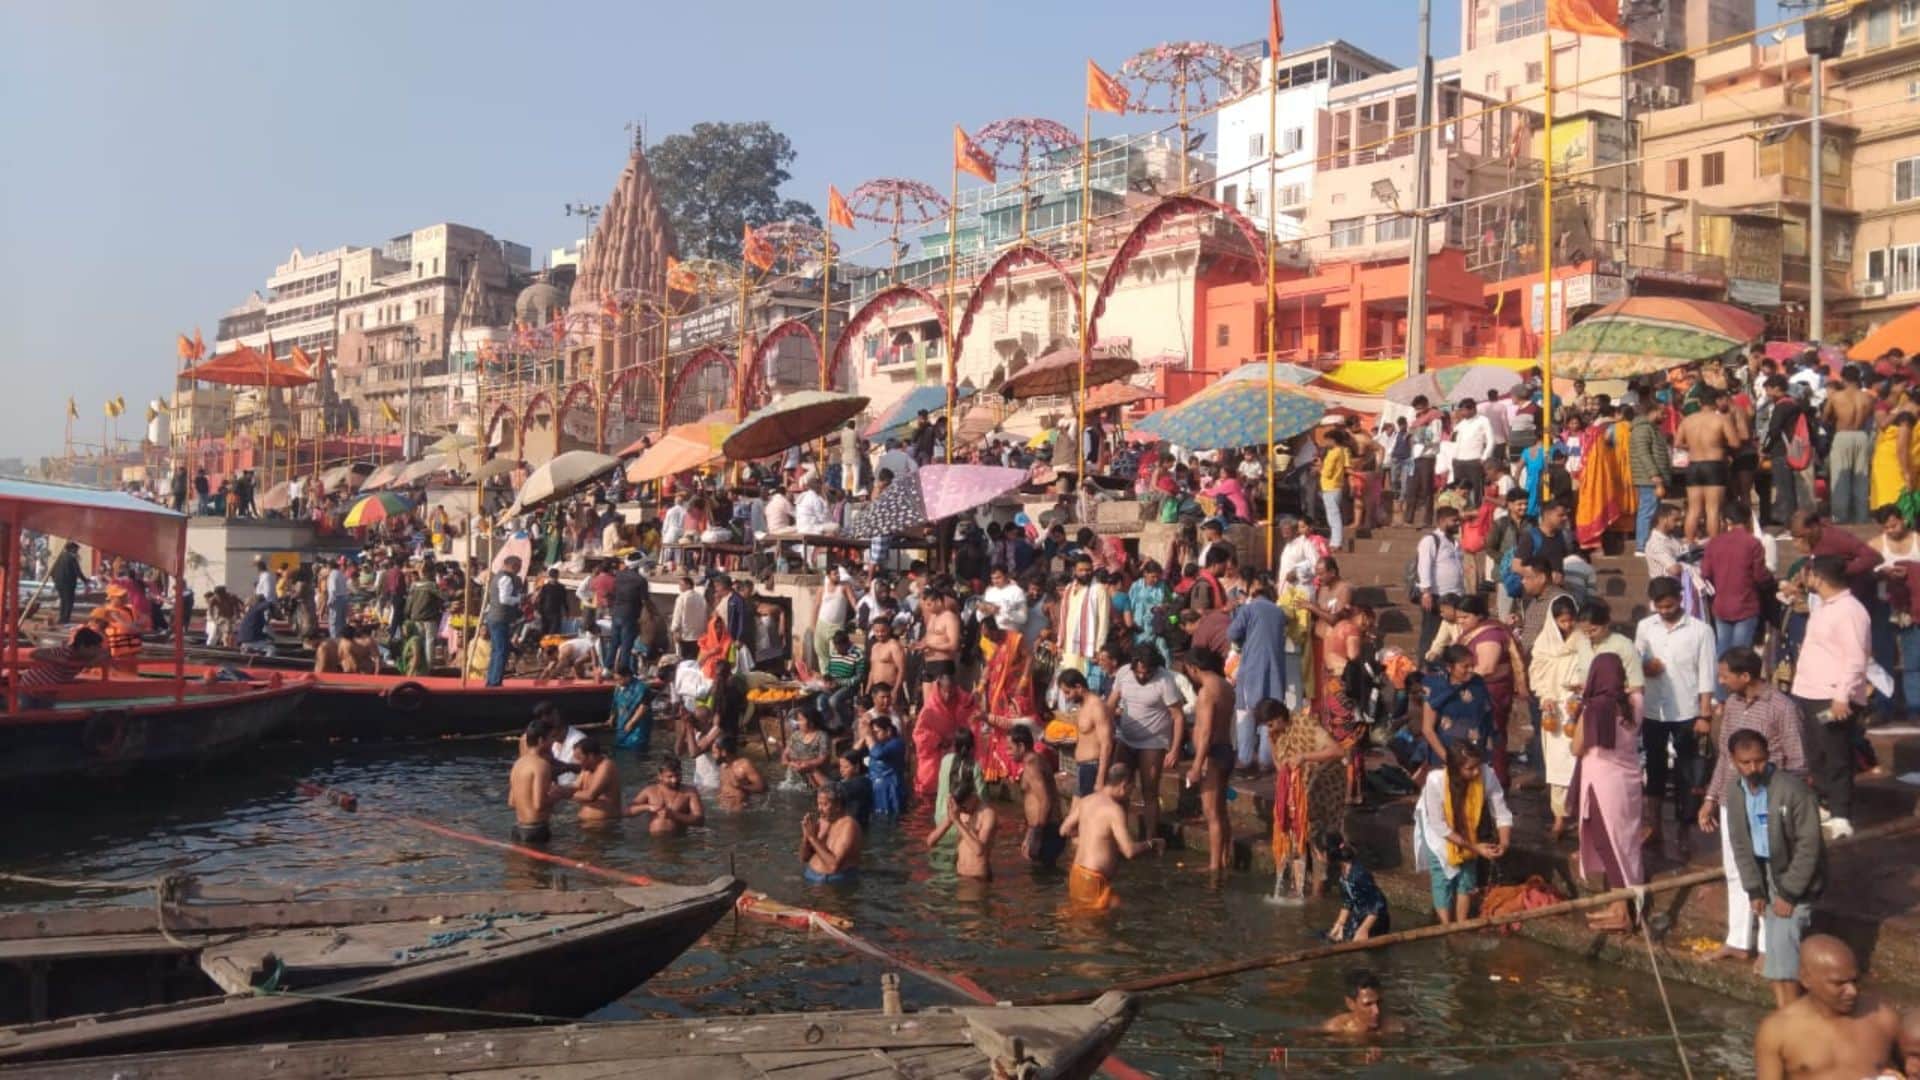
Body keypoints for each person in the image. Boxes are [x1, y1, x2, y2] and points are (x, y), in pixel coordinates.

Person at [1698, 646, 1810, 963]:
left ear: (1745, 676)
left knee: (1769, 873)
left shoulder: (1782, 707)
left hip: (1768, 798)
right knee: (1735, 870)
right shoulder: (1732, 705)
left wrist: (1783, 803)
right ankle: (1737, 940)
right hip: (1732, 798)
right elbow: (1724, 757)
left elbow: (1798, 761)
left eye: (1724, 675)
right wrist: (1710, 798)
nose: (1720, 681)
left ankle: (1768, 947)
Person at [1724, 728, 1829, 1008]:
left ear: (1768, 757)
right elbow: (1741, 844)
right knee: (1775, 946)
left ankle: (1790, 1017)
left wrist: (1790, 892)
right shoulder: (1734, 793)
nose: (1752, 768)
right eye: (1745, 762)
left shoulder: (1794, 791)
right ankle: (1786, 1014)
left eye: (1758, 761)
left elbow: (1809, 846)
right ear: (1733, 760)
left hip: (1795, 875)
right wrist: (1754, 889)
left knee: (1783, 943)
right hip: (1765, 872)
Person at [1634, 576, 1716, 856]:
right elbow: (1635, 659)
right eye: (1660, 607)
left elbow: (1707, 674)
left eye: (1670, 605)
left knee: (1688, 772)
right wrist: (1645, 666)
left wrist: (1705, 713)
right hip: (1654, 709)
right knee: (1654, 769)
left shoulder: (1700, 631)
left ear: (1681, 599)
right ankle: (1654, 826)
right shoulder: (1645, 627)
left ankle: (1685, 828)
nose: (1665, 611)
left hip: (1687, 711)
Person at [1790, 555, 1870, 839]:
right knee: (1816, 753)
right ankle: (1825, 802)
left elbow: (1856, 658)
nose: (1805, 578)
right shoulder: (1823, 607)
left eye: (1808, 574)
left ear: (1819, 578)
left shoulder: (1850, 611)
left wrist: (1842, 697)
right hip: (1809, 692)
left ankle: (1841, 814)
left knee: (1836, 754)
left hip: (1832, 696)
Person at [1753, 934, 1900, 1080]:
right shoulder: (1777, 1031)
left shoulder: (1883, 1019)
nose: (1852, 991)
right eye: (1839, 983)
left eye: (1854, 981)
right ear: (1806, 979)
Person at [1570, 651, 1643, 932]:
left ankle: (1622, 910)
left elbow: (1576, 747)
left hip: (1601, 783)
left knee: (1607, 843)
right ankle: (1617, 903)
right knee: (1624, 844)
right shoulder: (1635, 703)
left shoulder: (1594, 709)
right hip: (1629, 780)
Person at [1415, 740, 1512, 923]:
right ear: (1454, 769)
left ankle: (1462, 924)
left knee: (1467, 879)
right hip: (1438, 833)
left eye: (1477, 766)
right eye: (1470, 769)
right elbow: (1438, 825)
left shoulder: (1486, 774)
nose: (1476, 772)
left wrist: (1504, 843)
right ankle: (1446, 927)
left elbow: (1501, 812)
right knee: (1442, 880)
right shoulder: (1435, 780)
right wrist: (1475, 848)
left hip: (1468, 829)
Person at [1267, 699, 1348, 899]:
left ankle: (1317, 891)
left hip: (1325, 784)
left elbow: (1337, 751)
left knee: (1317, 836)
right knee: (1296, 835)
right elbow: (1280, 767)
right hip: (1299, 791)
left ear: (1279, 717)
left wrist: (1304, 757)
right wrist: (1272, 743)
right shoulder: (1277, 733)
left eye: (1270, 724)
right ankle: (1298, 886)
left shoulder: (1306, 724)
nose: (1268, 729)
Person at [1107, 644, 1186, 844]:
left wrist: (1174, 749)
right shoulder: (1124, 673)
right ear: (1133, 666)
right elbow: (1111, 703)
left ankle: (1151, 838)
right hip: (1125, 738)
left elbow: (1178, 716)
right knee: (1118, 789)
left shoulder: (1165, 679)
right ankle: (1119, 835)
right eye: (1139, 672)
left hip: (1153, 742)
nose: (1142, 676)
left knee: (1149, 791)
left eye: (1147, 672)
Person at [1059, 762, 1163, 912]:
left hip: (1076, 874)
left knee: (1110, 909)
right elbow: (1129, 851)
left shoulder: (1086, 800)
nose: (1130, 795)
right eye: (1131, 789)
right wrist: (1152, 843)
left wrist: (1094, 837)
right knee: (1092, 929)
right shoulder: (1114, 810)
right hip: (1093, 879)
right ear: (1124, 784)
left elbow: (1064, 830)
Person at [1529, 595, 1588, 840]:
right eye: (1562, 621)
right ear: (1553, 621)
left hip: (1577, 709)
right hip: (1553, 712)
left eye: (1570, 621)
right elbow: (1537, 674)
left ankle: (1582, 817)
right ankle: (1559, 818)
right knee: (1557, 767)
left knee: (1580, 763)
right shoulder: (1543, 645)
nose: (1567, 625)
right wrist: (1545, 696)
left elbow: (1589, 670)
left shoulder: (1584, 642)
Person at [1179, 647, 1235, 876]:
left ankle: (1214, 866)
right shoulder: (1226, 686)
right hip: (1227, 750)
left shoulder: (1206, 692)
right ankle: (1225, 857)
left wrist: (1195, 766)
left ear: (1194, 668)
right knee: (1221, 810)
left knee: (1211, 812)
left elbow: (1206, 731)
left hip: (1212, 753)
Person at [1227, 581, 1288, 774]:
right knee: (1269, 714)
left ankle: (1244, 759)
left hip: (1252, 668)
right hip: (1276, 670)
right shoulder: (1279, 613)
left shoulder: (1249, 609)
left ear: (1255, 595)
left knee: (1246, 711)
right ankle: (1265, 760)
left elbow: (1232, 633)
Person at [1674, 386, 1737, 544]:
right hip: (1714, 464)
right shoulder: (1721, 419)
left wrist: (1694, 446)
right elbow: (1735, 443)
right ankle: (1714, 545)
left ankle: (1689, 541)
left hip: (1694, 464)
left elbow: (1677, 443)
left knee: (1694, 509)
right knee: (1712, 509)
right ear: (1715, 401)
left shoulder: (1688, 420)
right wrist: (1718, 446)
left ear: (1700, 402)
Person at [1419, 645, 1496, 768]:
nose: (1471, 670)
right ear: (1450, 668)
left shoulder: (1477, 683)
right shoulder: (1435, 687)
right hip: (1446, 757)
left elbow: (1486, 718)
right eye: (1465, 666)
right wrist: (1449, 760)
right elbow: (1428, 729)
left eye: (1472, 665)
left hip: (1475, 756)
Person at [1821, 364, 1876, 524]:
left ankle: (1840, 517)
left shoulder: (1836, 397)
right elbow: (1871, 418)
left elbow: (1825, 417)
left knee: (1841, 476)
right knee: (1862, 477)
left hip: (1842, 435)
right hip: (1861, 436)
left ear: (1843, 379)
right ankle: (1861, 516)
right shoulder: (1868, 397)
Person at [1412, 508, 1467, 658]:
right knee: (1431, 632)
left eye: (1458, 520)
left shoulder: (1454, 542)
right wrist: (1426, 593)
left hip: (1455, 596)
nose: (1457, 524)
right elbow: (1424, 565)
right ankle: (1425, 667)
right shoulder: (1430, 540)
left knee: (1450, 635)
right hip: (1436, 595)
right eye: (1454, 521)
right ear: (1442, 521)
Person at [925, 763, 996, 880]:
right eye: (960, 808)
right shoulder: (960, 813)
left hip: (977, 878)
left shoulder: (987, 815)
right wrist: (950, 819)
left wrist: (957, 821)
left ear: (973, 797)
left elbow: (979, 850)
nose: (963, 811)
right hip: (960, 875)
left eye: (964, 807)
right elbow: (930, 841)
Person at [1008, 725, 1065, 867]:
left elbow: (1045, 801)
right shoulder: (1038, 760)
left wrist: (1035, 835)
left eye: (1010, 748)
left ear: (1021, 746)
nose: (1007, 753)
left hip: (1046, 831)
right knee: (1045, 878)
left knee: (1042, 879)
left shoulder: (1032, 766)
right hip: (1046, 828)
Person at [1058, 668, 1113, 798]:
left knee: (1083, 814)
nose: (1066, 697)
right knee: (1075, 814)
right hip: (1082, 768)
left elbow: (1106, 744)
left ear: (1078, 687)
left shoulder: (1096, 706)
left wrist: (1100, 778)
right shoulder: (1083, 705)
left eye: (1068, 692)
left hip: (1092, 768)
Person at [1324, 836, 1391, 943]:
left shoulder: (1359, 875)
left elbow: (1379, 902)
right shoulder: (1343, 875)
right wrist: (1339, 924)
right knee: (1328, 937)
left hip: (1374, 919)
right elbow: (1348, 901)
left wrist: (1364, 929)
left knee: (1352, 944)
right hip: (1360, 914)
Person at [1629, 396, 1674, 551]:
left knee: (1652, 511)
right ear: (1653, 411)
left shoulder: (1651, 429)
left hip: (1651, 478)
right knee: (1647, 512)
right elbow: (1644, 454)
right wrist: (1655, 476)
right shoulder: (1642, 429)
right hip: (1649, 479)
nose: (1665, 416)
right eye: (1662, 412)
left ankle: (1647, 544)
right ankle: (1642, 546)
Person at [1056, 554, 1110, 677]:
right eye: (1081, 570)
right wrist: (1060, 643)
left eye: (1088, 570)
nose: (1085, 573)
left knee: (1083, 680)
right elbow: (1063, 618)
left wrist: (1099, 649)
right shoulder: (1069, 588)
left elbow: (1104, 622)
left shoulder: (1099, 589)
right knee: (1068, 680)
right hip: (1068, 646)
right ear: (1074, 571)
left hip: (1088, 647)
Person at [507, 718, 557, 844]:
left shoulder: (518, 764)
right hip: (536, 831)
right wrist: (557, 795)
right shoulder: (541, 765)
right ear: (541, 740)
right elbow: (539, 804)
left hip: (518, 829)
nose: (553, 742)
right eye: (551, 738)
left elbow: (512, 802)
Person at [625, 756, 705, 835]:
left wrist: (674, 815)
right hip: (654, 842)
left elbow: (700, 820)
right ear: (660, 776)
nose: (674, 780)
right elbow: (627, 811)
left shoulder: (690, 792)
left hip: (678, 840)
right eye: (670, 777)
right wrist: (648, 807)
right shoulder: (650, 791)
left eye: (678, 775)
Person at [799, 785, 862, 884]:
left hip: (833, 884)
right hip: (812, 878)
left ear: (838, 806)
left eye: (824, 804)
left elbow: (833, 867)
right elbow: (804, 858)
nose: (819, 809)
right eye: (818, 804)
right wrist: (806, 837)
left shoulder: (849, 825)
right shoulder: (822, 820)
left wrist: (812, 838)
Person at [483, 556, 526, 688]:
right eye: (519, 566)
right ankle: (495, 682)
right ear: (513, 566)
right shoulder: (506, 578)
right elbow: (504, 599)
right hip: (499, 618)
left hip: (496, 617)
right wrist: (519, 599)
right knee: (501, 650)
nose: (520, 569)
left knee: (497, 650)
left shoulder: (499, 577)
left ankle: (492, 679)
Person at [1321, 968, 1406, 1036]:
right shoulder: (1335, 1029)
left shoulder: (1395, 1028)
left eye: (1379, 1002)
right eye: (1368, 1004)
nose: (1377, 1011)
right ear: (1350, 1004)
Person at [564, 737, 621, 825]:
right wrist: (555, 789)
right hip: (587, 823)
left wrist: (562, 793)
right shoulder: (586, 768)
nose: (577, 762)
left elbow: (590, 796)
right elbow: (575, 787)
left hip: (605, 825)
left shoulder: (606, 766)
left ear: (591, 756)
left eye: (579, 758)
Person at [866, 714, 907, 816]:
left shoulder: (896, 743)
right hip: (877, 790)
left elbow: (878, 754)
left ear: (888, 731)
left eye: (877, 732)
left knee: (892, 818)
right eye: (873, 733)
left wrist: (869, 738)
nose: (874, 735)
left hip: (891, 791)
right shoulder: (878, 744)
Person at [712, 736, 767, 810]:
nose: (713, 756)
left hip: (740, 811)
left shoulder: (744, 765)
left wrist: (741, 786)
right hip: (725, 809)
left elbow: (762, 787)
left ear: (723, 752)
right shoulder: (723, 766)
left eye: (714, 753)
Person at [611, 667, 652, 751]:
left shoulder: (641, 688)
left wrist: (632, 722)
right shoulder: (619, 688)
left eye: (620, 679)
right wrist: (612, 717)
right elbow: (616, 703)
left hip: (639, 725)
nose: (618, 682)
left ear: (628, 677)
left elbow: (643, 707)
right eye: (616, 680)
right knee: (621, 749)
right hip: (622, 722)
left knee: (636, 747)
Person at [48, 542, 87, 626]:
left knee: (63, 600)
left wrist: (56, 581)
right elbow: (78, 571)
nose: (77, 551)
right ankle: (65, 619)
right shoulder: (72, 558)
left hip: (59, 583)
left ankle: (62, 618)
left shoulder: (59, 557)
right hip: (68, 583)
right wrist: (85, 581)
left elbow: (51, 571)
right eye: (76, 549)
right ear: (72, 549)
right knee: (69, 601)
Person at [834, 748, 874, 828]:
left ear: (856, 767)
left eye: (846, 767)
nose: (841, 770)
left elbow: (832, 789)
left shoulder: (862, 782)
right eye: (840, 766)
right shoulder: (846, 780)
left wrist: (813, 770)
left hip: (857, 827)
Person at [534, 568, 570, 639]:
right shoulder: (545, 587)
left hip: (556, 614)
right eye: (552, 577)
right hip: (545, 613)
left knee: (553, 633)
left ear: (557, 577)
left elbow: (564, 600)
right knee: (544, 631)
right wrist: (538, 611)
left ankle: (550, 648)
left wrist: (567, 611)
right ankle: (542, 648)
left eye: (555, 577)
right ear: (549, 577)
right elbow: (540, 600)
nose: (554, 579)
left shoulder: (561, 587)